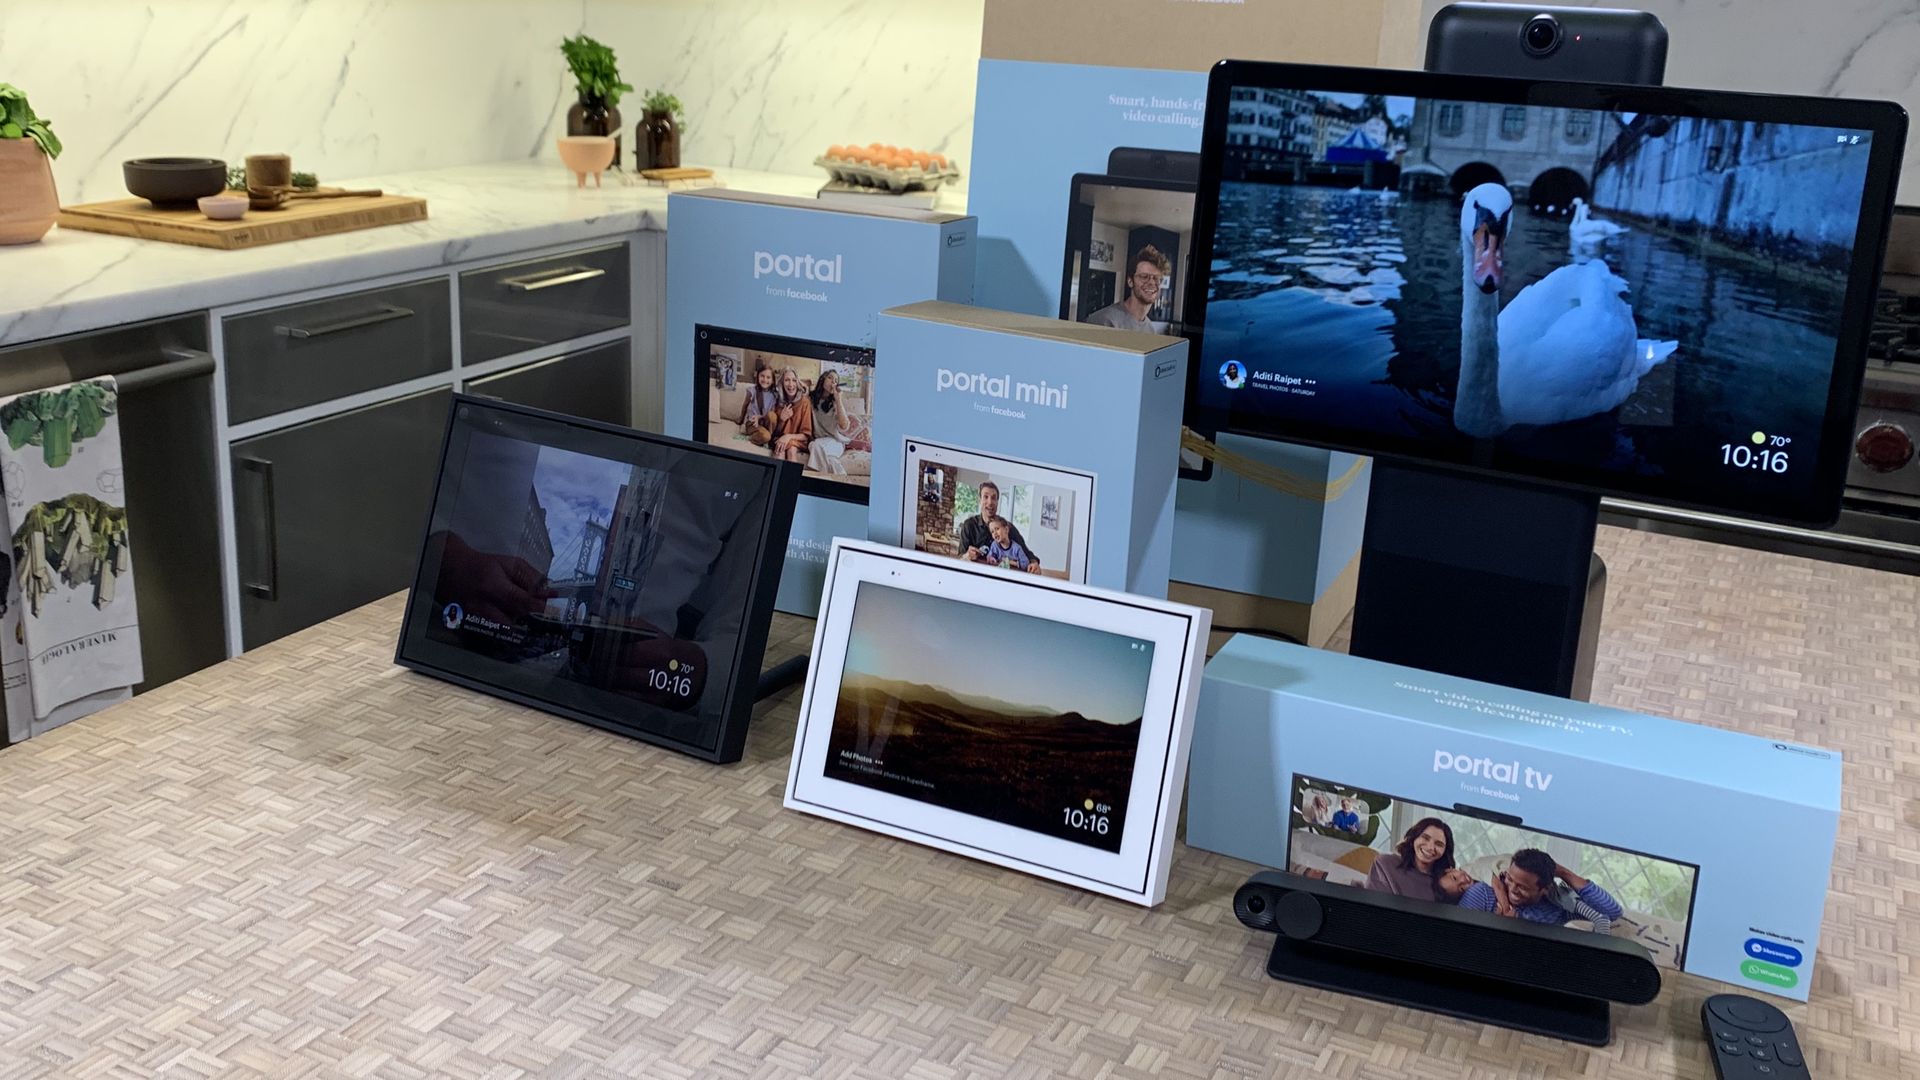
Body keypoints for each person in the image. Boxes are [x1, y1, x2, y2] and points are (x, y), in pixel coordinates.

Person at [1458, 848, 1623, 933]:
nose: (1513, 889)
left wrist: (1564, 873)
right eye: (1510, 879)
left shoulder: (1556, 907)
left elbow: (1611, 911)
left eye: (1523, 887)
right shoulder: (1482, 894)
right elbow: (1456, 937)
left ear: (1544, 889)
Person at [956, 480, 1044, 575]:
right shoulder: (969, 525)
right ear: (979, 500)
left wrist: (1034, 563)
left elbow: (1026, 552)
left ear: (997, 502)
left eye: (994, 498)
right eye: (986, 497)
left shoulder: (1008, 527)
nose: (990, 502)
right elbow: (960, 557)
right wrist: (966, 556)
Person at [1084, 244, 1172, 334]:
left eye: (1156, 278)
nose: (1152, 282)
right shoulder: (1105, 321)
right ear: (1130, 281)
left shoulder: (1150, 330)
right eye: (1144, 276)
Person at [1364, 817, 1456, 902]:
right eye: (1425, 838)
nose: (1430, 847)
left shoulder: (1446, 883)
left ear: (1445, 851)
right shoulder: (1385, 864)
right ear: (1414, 838)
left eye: (1439, 844)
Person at [805, 369, 857, 474]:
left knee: (814, 445)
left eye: (836, 380)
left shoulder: (836, 402)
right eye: (830, 378)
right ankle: (843, 483)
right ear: (823, 379)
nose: (833, 382)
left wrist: (838, 399)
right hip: (820, 442)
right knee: (832, 461)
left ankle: (821, 479)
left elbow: (844, 426)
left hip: (836, 443)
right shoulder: (810, 399)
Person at [770, 368, 814, 464]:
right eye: (787, 380)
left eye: (794, 380)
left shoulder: (805, 402)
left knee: (791, 449)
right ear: (781, 383)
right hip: (780, 440)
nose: (791, 384)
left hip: (797, 441)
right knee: (779, 450)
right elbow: (774, 433)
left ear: (797, 382)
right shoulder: (777, 401)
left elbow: (806, 436)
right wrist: (781, 420)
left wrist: (788, 437)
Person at [738, 365, 780, 448]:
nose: (765, 379)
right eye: (762, 376)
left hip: (765, 423)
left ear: (772, 380)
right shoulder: (752, 390)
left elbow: (772, 415)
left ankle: (769, 439)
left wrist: (760, 417)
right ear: (758, 377)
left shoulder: (775, 394)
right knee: (766, 436)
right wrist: (741, 419)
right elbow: (745, 405)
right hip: (753, 423)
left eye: (768, 377)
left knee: (772, 415)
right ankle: (751, 438)